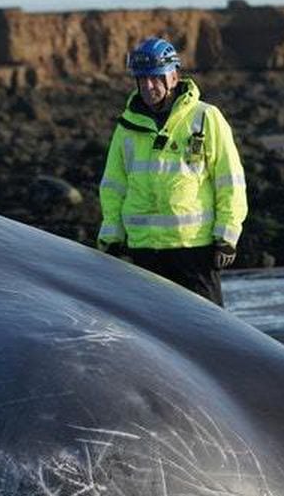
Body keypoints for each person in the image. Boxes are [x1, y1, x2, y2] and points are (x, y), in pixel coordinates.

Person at [96, 36, 248, 306]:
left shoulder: (205, 117)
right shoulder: (126, 127)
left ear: (174, 77)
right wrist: (112, 236)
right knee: (153, 339)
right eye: (142, 79)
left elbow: (229, 180)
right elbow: (113, 185)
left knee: (206, 332)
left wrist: (227, 235)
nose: (148, 86)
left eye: (155, 78)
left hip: (193, 251)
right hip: (144, 253)